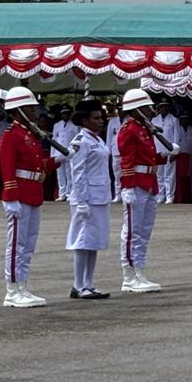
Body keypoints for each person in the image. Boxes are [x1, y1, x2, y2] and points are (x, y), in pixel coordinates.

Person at [0, 87, 64, 308]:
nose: (35, 111)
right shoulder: (11, 135)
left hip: (33, 192)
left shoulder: (30, 135)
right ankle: (12, 288)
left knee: (28, 244)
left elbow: (38, 166)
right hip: (19, 193)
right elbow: (8, 169)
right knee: (16, 244)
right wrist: (10, 197)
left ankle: (22, 286)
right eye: (30, 107)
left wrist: (58, 160)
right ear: (18, 111)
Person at [116, 89, 163, 292]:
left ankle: (140, 271)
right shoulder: (129, 129)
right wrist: (127, 187)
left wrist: (165, 156)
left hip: (149, 182)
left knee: (144, 231)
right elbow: (126, 159)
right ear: (135, 109)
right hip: (136, 184)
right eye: (145, 107)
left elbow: (148, 157)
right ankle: (129, 274)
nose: (149, 110)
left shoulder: (144, 128)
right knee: (132, 232)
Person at [65, 99, 112, 299]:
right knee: (82, 241)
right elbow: (77, 172)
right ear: (85, 121)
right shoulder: (81, 141)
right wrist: (82, 201)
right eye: (96, 118)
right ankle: (78, 285)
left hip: (100, 196)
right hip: (86, 198)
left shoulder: (98, 140)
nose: (100, 122)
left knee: (94, 242)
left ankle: (89, 283)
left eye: (101, 118)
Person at [150, 100, 181, 204]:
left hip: (169, 150)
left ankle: (169, 196)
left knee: (169, 175)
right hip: (158, 151)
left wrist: (174, 152)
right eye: (161, 107)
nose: (163, 109)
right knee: (159, 175)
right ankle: (160, 196)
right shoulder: (154, 120)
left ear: (169, 108)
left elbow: (176, 137)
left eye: (166, 107)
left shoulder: (174, 120)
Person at [52, 105, 79, 201]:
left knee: (69, 173)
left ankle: (69, 193)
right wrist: (53, 154)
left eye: (67, 113)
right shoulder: (57, 125)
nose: (66, 115)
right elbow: (54, 139)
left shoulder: (75, 126)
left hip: (69, 152)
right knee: (60, 174)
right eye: (64, 113)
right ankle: (62, 193)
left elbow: (77, 140)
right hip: (58, 153)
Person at [105, 103, 122, 203]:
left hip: (128, 152)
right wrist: (108, 152)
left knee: (127, 174)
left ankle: (126, 193)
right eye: (119, 109)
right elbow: (109, 137)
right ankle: (118, 194)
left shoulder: (129, 121)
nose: (121, 111)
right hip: (116, 151)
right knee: (117, 174)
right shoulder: (113, 121)